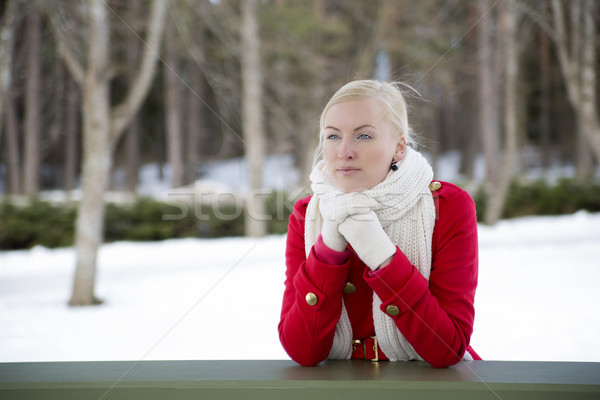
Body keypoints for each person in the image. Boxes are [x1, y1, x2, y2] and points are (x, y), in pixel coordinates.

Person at [278, 79, 481, 368]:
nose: (344, 151)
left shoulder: (447, 207)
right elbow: (303, 351)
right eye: (333, 136)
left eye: (363, 136)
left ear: (398, 147)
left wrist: (381, 255)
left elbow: (447, 348)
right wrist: (328, 252)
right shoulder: (307, 215)